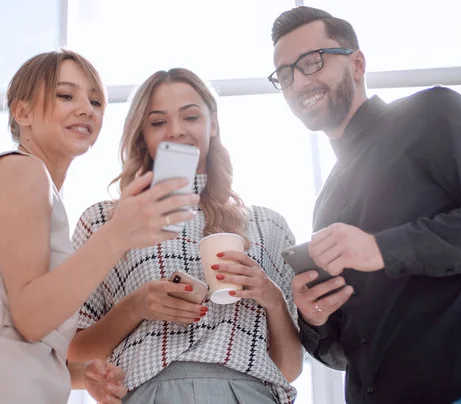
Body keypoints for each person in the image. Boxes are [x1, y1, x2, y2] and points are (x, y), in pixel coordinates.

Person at [268, 6, 461, 404]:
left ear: (357, 64)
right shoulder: (325, 204)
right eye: (286, 74)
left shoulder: (433, 113)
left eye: (312, 62)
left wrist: (380, 249)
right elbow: (344, 350)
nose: (299, 81)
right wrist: (315, 318)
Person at [0, 50, 197, 404]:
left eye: (96, 101)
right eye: (65, 95)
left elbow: (21, 332)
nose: (87, 109)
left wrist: (80, 375)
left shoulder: (38, 189)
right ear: (22, 112)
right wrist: (118, 234)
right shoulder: (21, 171)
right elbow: (29, 318)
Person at [67, 68, 303, 404]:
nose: (176, 131)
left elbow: (289, 369)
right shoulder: (105, 221)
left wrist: (270, 296)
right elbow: (74, 353)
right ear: (142, 136)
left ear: (214, 125)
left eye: (190, 116)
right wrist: (137, 306)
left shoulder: (268, 225)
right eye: (158, 122)